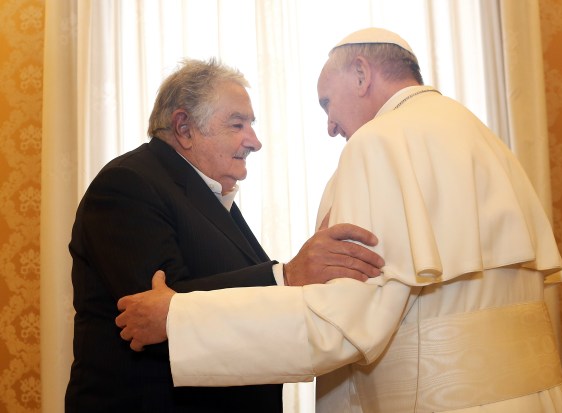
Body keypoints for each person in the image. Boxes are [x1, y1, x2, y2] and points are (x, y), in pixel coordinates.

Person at [116, 29, 562, 412]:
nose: (331, 127)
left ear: (361, 73)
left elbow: (339, 328)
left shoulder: (381, 143)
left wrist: (179, 320)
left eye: (326, 103)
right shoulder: (482, 135)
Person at [65, 57, 384, 413]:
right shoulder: (128, 184)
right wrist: (287, 276)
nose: (255, 141)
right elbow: (156, 315)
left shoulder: (209, 196)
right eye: (238, 124)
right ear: (184, 128)